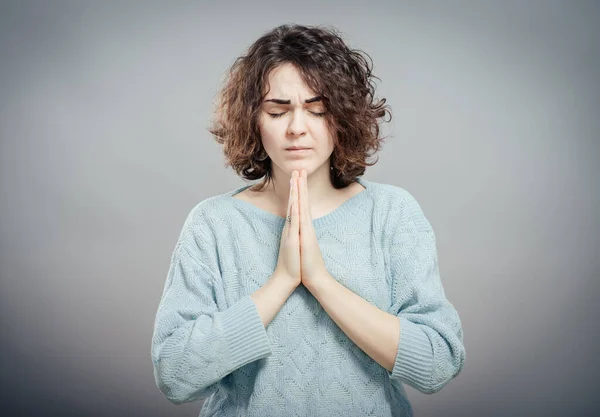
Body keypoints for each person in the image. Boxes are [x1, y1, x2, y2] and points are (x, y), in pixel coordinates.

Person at [151, 23, 465, 417]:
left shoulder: (391, 214)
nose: (297, 127)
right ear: (253, 120)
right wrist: (282, 280)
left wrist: (320, 281)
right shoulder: (213, 223)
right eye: (277, 111)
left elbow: (438, 363)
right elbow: (175, 374)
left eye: (317, 110)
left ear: (342, 118)